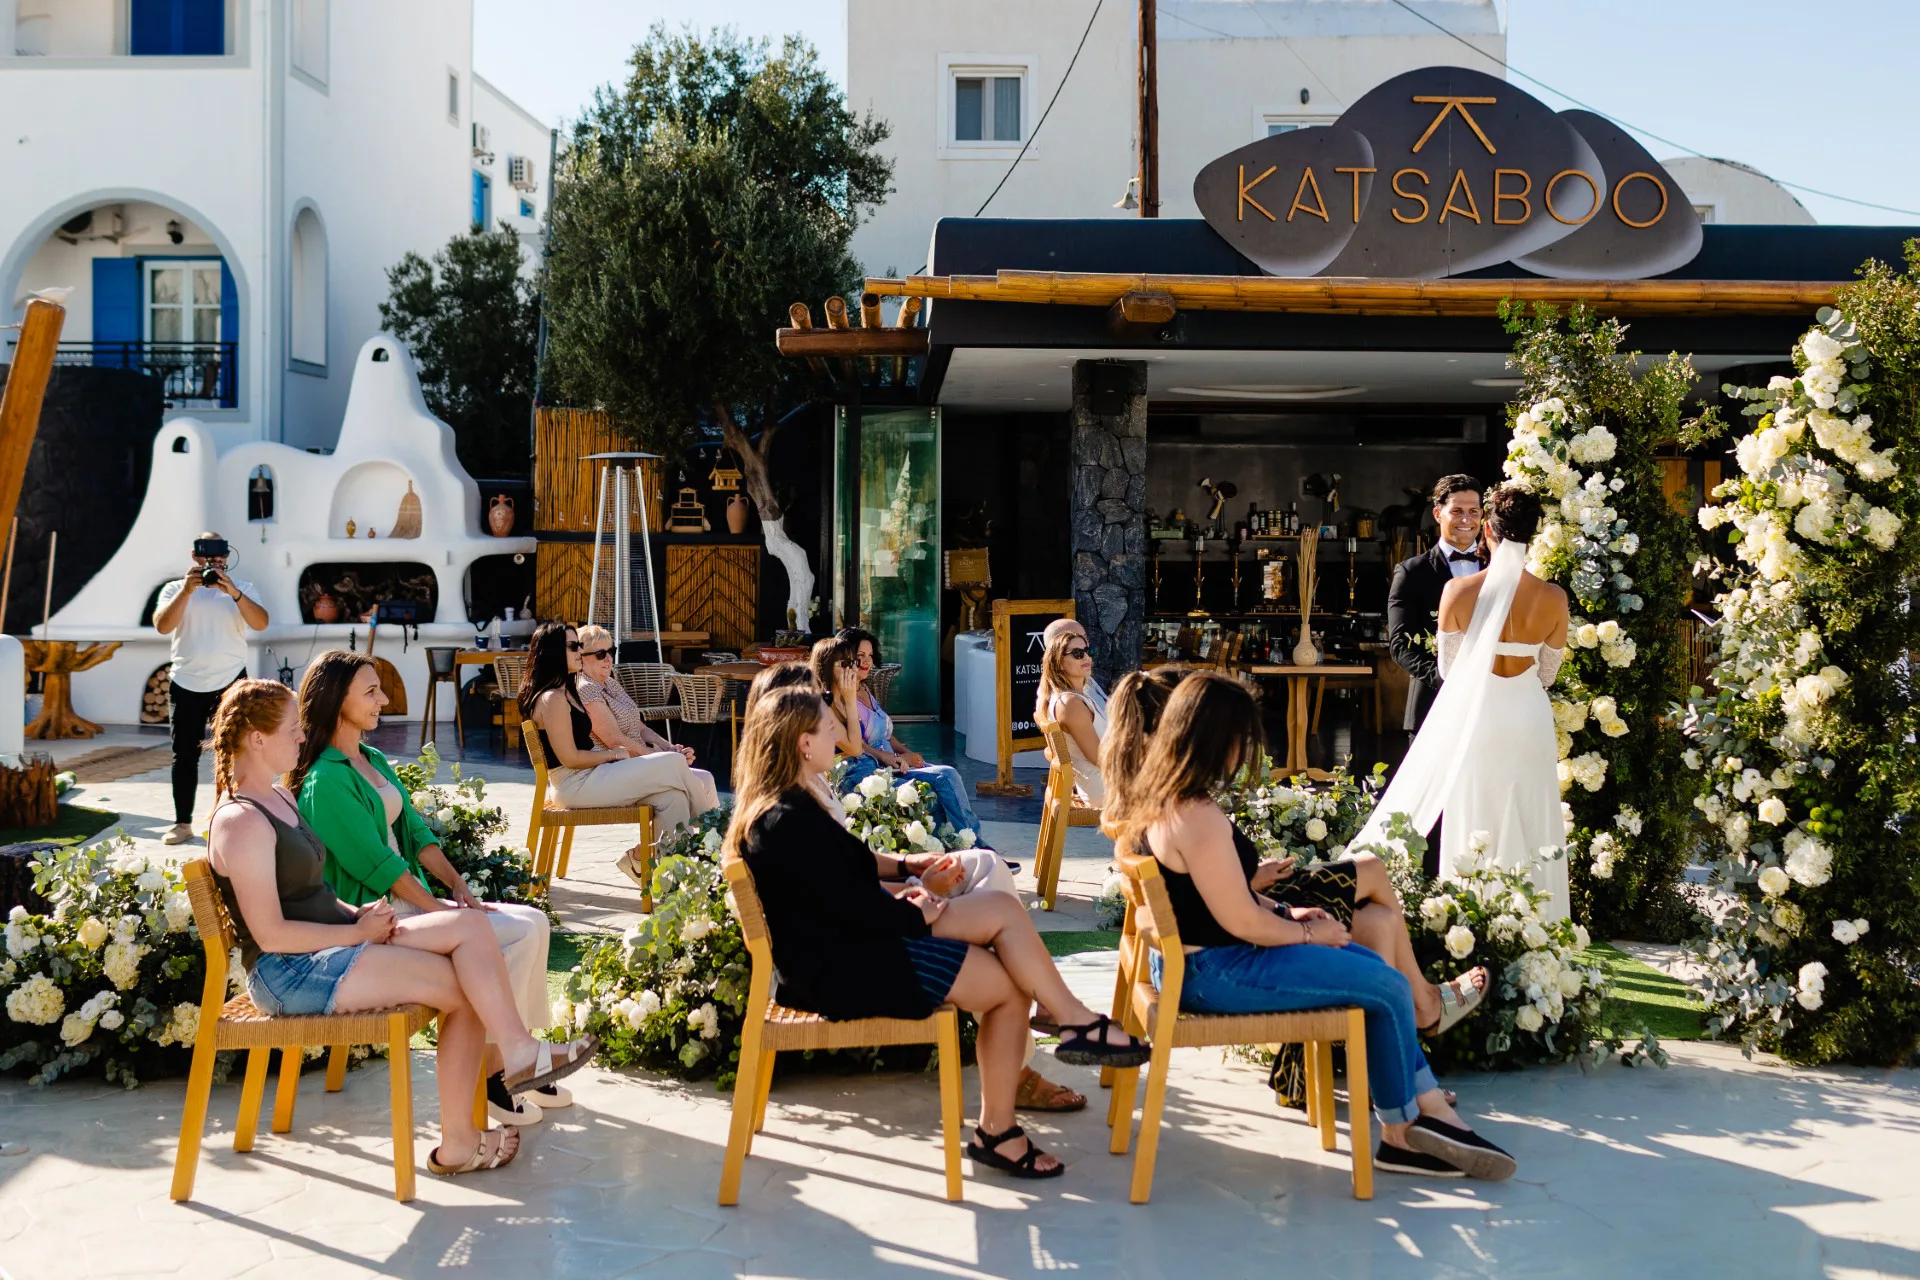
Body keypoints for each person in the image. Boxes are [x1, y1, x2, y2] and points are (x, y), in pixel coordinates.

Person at [727, 685, 1152, 1178]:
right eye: (828, 728)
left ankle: (1060, 1034)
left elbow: (843, 887)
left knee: (1001, 916)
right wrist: (917, 912)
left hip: (850, 951)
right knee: (1008, 984)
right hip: (846, 970)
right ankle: (1020, 1097)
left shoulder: (788, 807)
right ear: (803, 744)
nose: (838, 735)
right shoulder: (787, 820)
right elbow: (846, 908)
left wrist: (912, 886)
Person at [1112, 670, 1516, 1180]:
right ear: (1217, 738)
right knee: (1387, 984)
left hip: (1198, 964)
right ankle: (1406, 1130)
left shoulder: (1165, 799)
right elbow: (1241, 920)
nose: (1244, 752)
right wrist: (1308, 934)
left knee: (1371, 969)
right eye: (1241, 739)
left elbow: (1220, 897)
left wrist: (1288, 912)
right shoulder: (1196, 815)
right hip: (1216, 971)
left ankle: (1423, 1113)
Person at [206, 679, 595, 1176]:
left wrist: (357, 915)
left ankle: (516, 1055)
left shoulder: (280, 797)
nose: (302, 736)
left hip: (330, 946)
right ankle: (465, 1134)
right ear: (258, 739)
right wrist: (356, 933)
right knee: (467, 986)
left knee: (471, 929)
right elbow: (272, 935)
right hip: (289, 972)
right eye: (291, 729)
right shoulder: (240, 821)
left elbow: (311, 894)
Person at [291, 650, 564, 1126]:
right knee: (515, 934)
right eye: (370, 692)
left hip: (411, 903)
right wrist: (439, 909)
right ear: (337, 701)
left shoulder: (371, 758)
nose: (384, 699)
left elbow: (416, 834)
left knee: (534, 921)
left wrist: (458, 888)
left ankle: (514, 1061)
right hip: (378, 919)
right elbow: (378, 867)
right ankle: (495, 1076)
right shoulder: (324, 780)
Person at [1362, 485, 1571, 919]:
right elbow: (1547, 675)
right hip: (1528, 716)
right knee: (1532, 807)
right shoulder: (1554, 598)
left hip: (1477, 717)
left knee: (1475, 808)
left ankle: (1470, 911)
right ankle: (1540, 919)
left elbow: (1450, 669)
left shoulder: (1457, 591)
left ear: (1488, 532)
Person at [518, 621, 698, 889]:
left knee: (673, 798)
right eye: (573, 646)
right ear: (553, 652)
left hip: (590, 777)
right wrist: (614, 754)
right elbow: (570, 759)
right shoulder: (552, 698)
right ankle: (714, 838)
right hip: (575, 784)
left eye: (580, 645)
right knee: (673, 762)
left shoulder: (566, 691)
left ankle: (672, 885)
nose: (579, 651)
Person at [1388, 476, 1486, 875]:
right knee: (1432, 809)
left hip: (1490, 706)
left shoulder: (1499, 568)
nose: (1466, 519)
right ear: (1437, 514)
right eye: (1457, 510)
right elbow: (1400, 645)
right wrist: (1448, 679)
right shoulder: (1411, 572)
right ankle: (1429, 889)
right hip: (1433, 704)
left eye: (1474, 511)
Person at [152, 532, 269, 845]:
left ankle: (228, 817)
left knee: (233, 751)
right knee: (184, 756)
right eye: (207, 556)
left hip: (231, 682)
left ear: (227, 558)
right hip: (186, 682)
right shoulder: (175, 589)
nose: (213, 563)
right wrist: (187, 590)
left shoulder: (242, 588)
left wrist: (233, 593)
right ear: (195, 557)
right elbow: (162, 626)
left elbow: (261, 623)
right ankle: (182, 824)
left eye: (219, 557)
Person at [833, 628, 985, 838]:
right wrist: (891, 757)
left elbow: (885, 733)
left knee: (947, 777)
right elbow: (855, 743)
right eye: (860, 656)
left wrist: (907, 753)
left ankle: (961, 841)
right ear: (847, 658)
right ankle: (970, 842)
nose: (867, 661)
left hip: (894, 761)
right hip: (877, 767)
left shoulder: (865, 689)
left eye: (870, 655)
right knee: (943, 779)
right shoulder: (842, 697)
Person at [574, 624, 720, 815]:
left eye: (611, 651)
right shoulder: (586, 688)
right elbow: (614, 741)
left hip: (635, 763)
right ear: (581, 658)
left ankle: (706, 830)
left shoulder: (610, 683)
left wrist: (669, 748)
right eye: (600, 654)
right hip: (612, 770)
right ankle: (710, 826)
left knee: (706, 778)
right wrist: (657, 756)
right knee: (691, 780)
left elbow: (640, 727)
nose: (609, 659)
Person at [1034, 631, 1106, 805]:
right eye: (1077, 654)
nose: (1086, 657)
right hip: (1104, 788)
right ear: (1059, 663)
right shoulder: (1070, 704)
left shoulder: (1073, 697)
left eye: (1088, 651)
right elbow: (1100, 758)